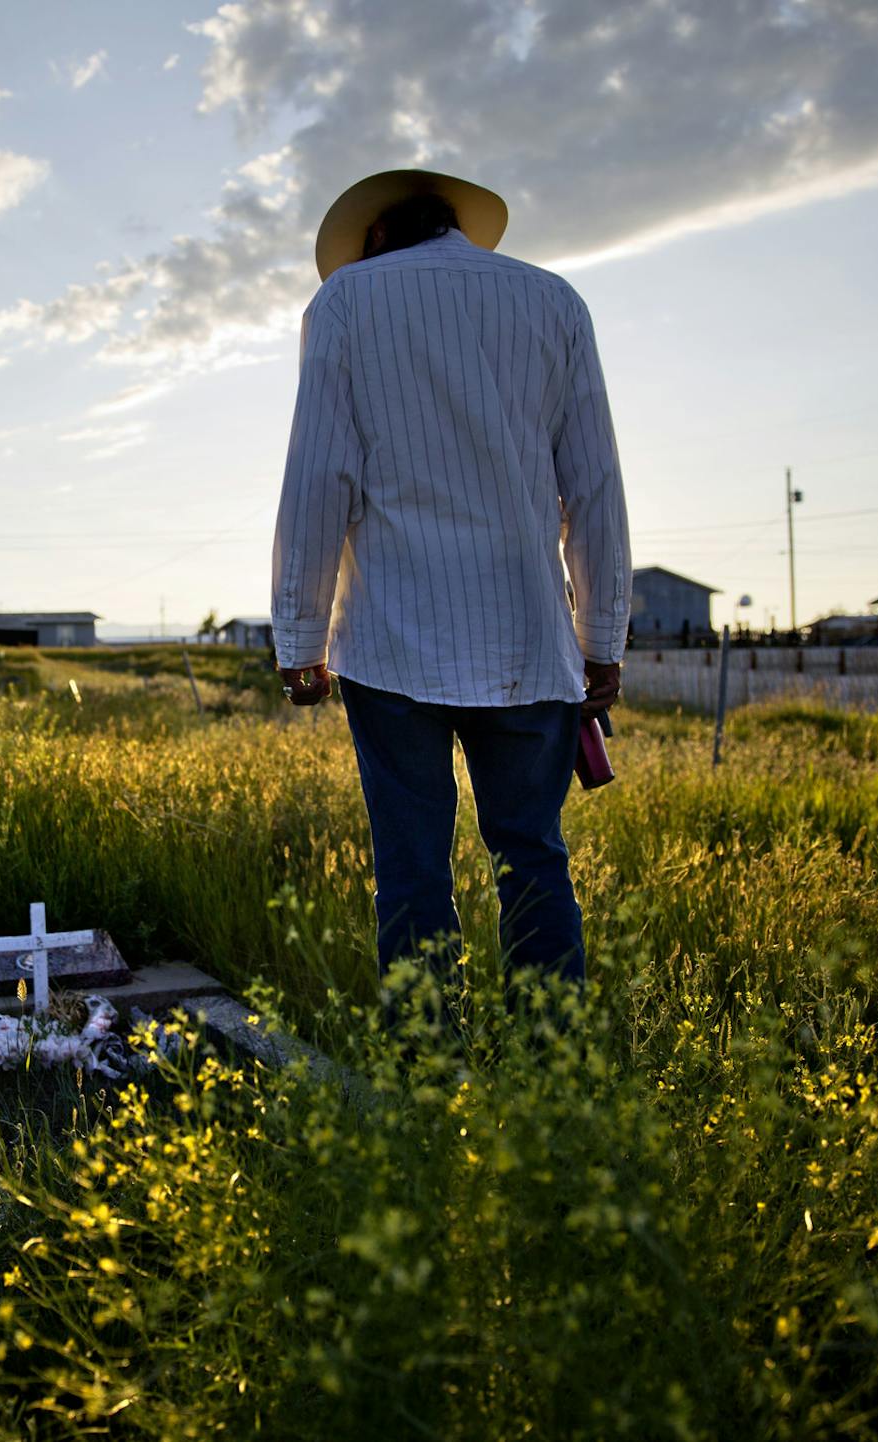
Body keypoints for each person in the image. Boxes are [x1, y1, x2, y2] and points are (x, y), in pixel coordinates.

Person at [270, 168, 630, 985]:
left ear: (376, 237)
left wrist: (300, 638)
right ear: (452, 224)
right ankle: (555, 1071)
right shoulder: (555, 302)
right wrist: (600, 640)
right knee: (534, 857)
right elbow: (596, 486)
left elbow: (320, 479)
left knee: (412, 869)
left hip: (393, 640)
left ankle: (428, 1075)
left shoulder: (346, 304)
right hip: (531, 638)